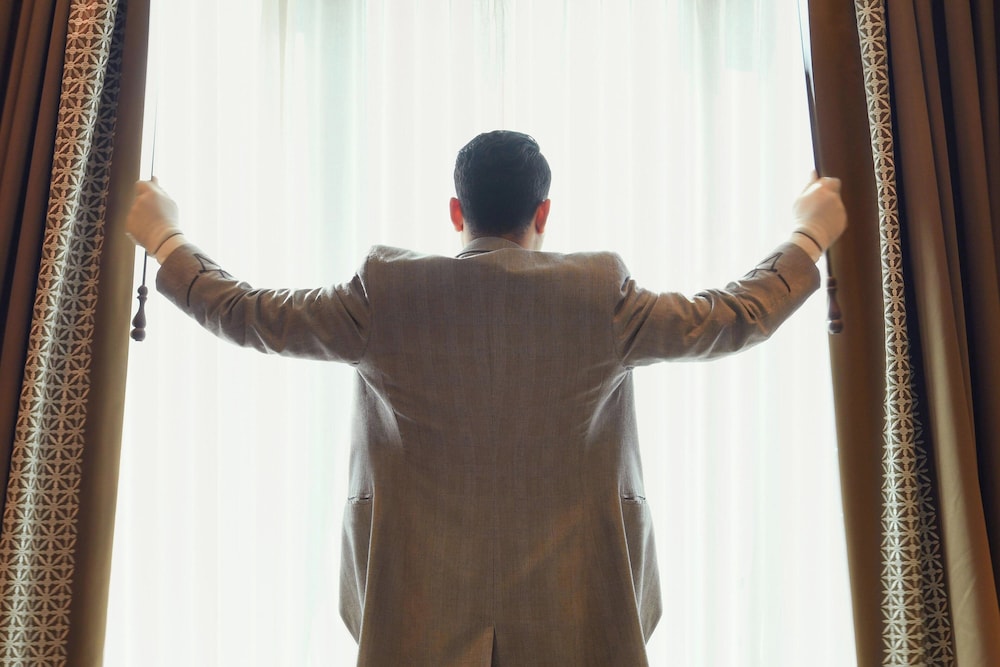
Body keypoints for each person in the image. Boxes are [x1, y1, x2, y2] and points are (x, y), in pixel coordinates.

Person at [126, 130, 846, 666]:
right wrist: (811, 230)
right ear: (544, 211)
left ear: (455, 209)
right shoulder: (601, 292)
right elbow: (731, 316)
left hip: (416, 609)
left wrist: (163, 234)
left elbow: (250, 313)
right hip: (578, 609)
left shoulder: (387, 290)